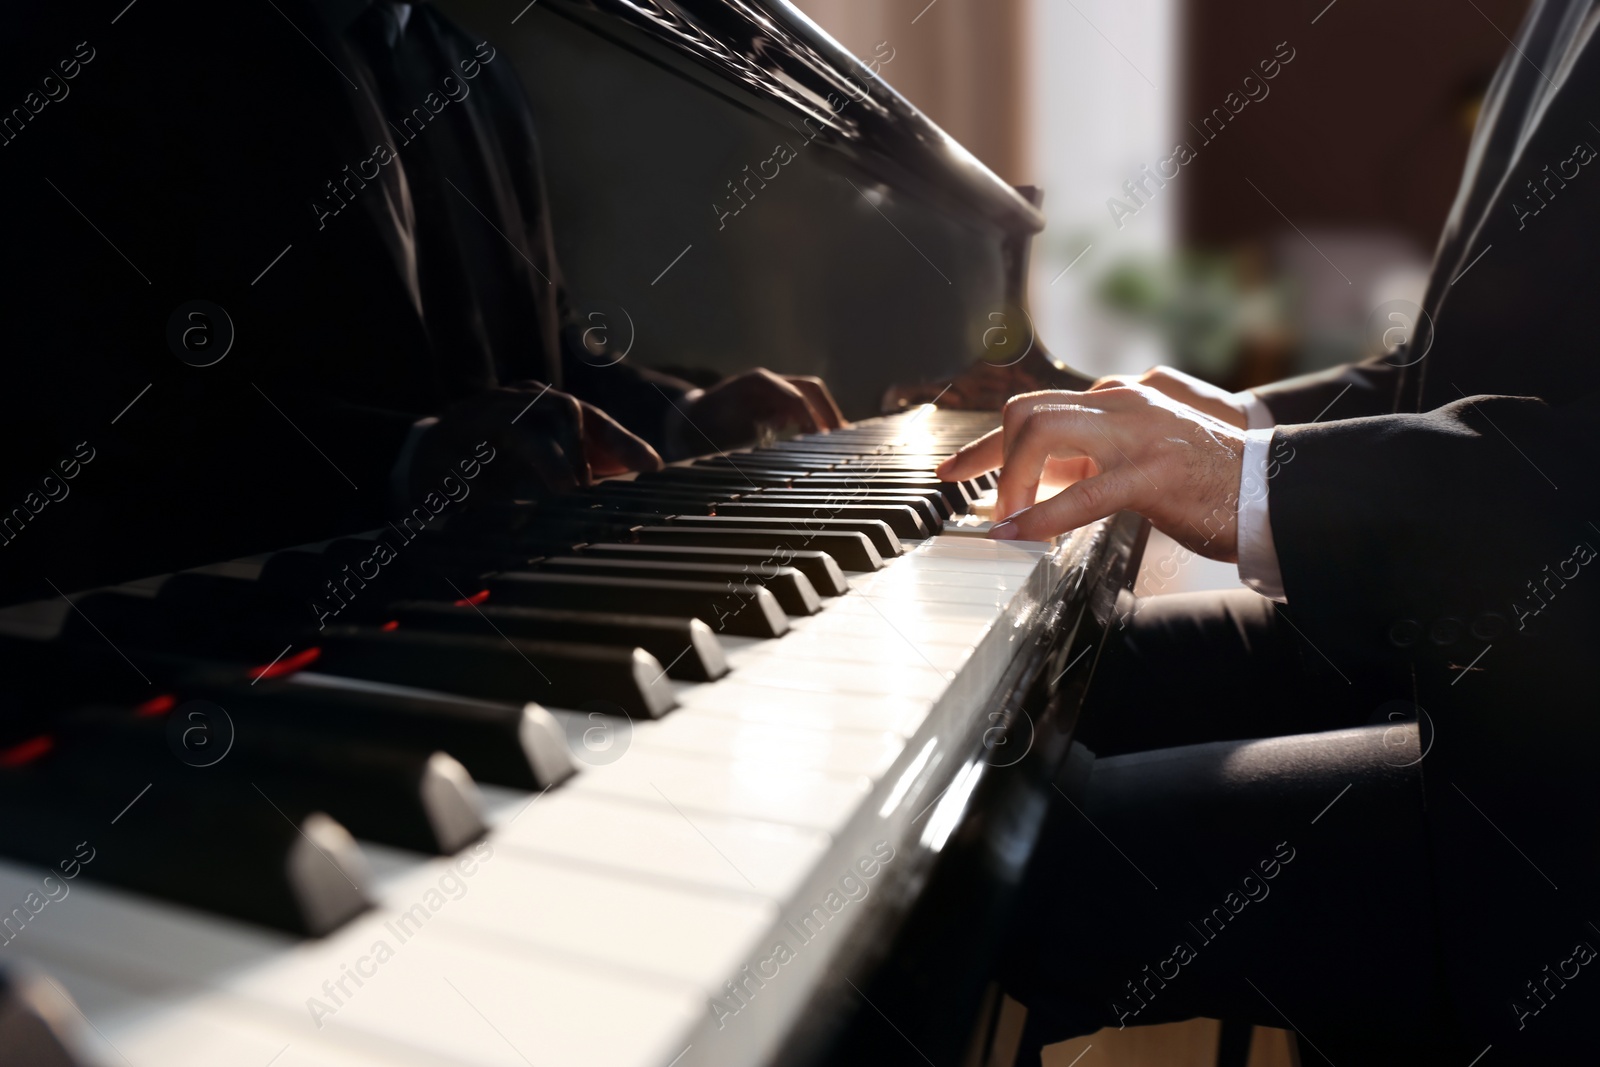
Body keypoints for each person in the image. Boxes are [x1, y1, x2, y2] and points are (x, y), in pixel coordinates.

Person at [932, 1, 1600, 1061]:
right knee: (985, 689)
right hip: (1461, 638)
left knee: (984, 869)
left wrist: (1255, 479)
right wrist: (1230, 425)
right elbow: (1462, 369)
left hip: (1562, 783)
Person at [0, 0, 842, 601]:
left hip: (469, 604)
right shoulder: (98, 35)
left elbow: (537, 350)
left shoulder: (472, 69)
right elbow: (67, 393)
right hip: (209, 637)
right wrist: (403, 459)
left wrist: (682, 414)